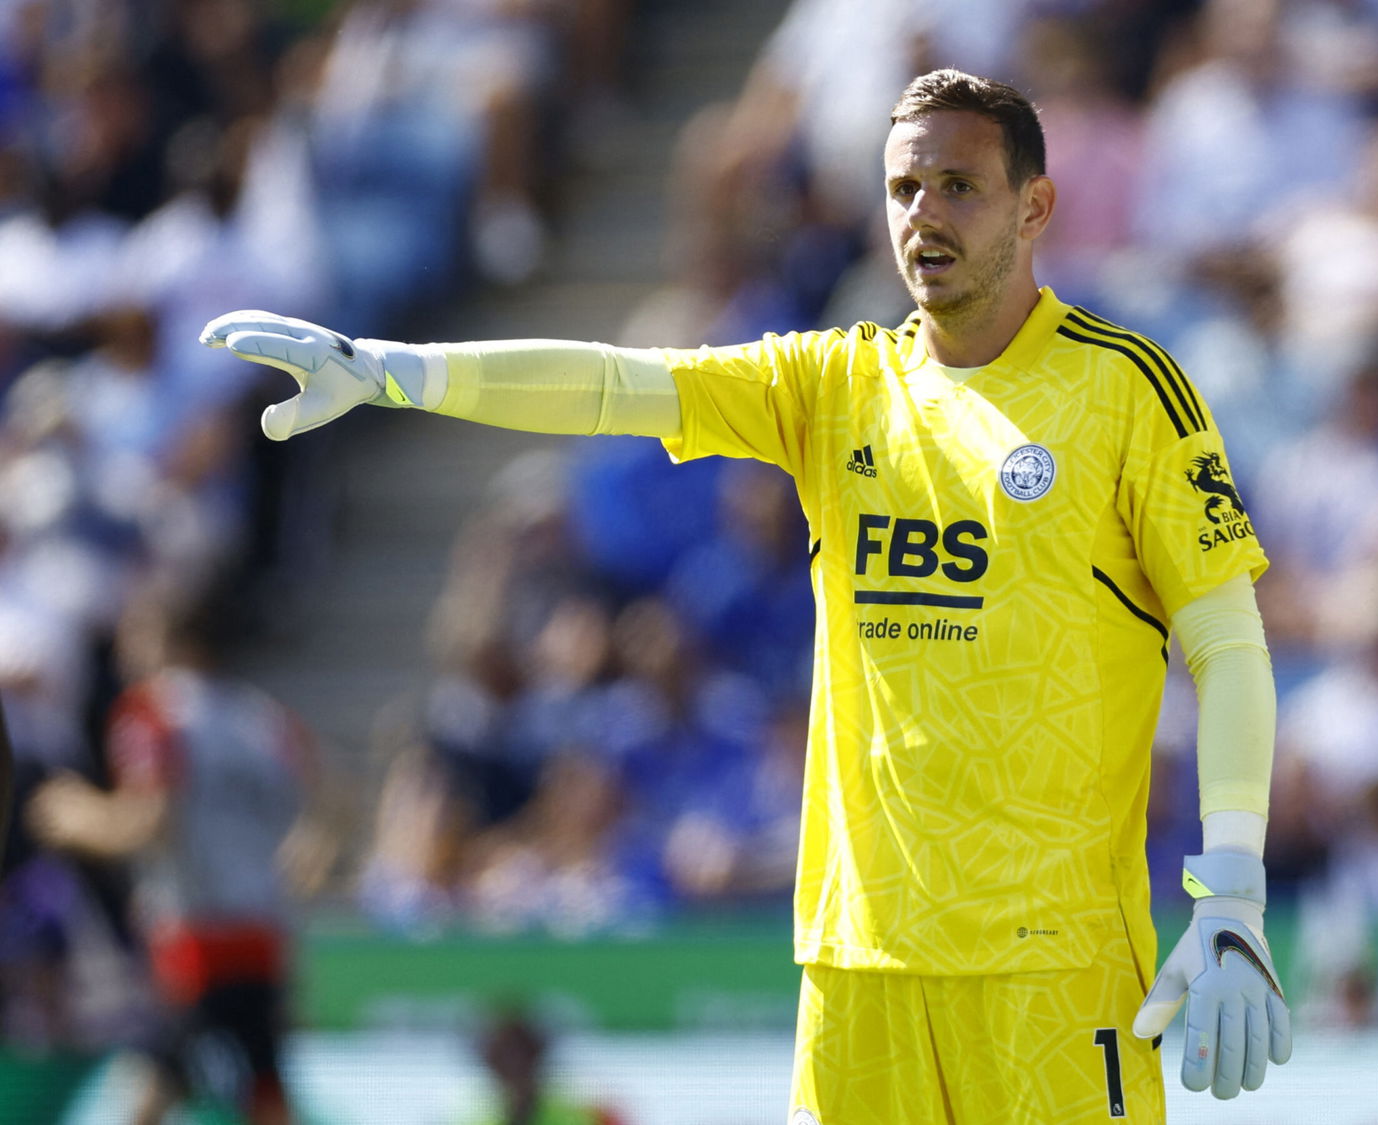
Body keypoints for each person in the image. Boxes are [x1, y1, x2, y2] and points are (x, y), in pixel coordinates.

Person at [201, 69, 1291, 1122]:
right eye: (905, 187)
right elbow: (614, 388)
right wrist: (396, 369)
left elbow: (1228, 641)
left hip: (1053, 970)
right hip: (857, 962)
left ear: (1034, 204)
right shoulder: (836, 384)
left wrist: (1231, 889)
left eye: (960, 184)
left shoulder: (1125, 388)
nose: (925, 214)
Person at [26, 582, 323, 1125]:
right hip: (262, 927)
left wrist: (73, 816)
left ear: (171, 639)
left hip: (196, 934)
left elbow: (149, 820)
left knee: (154, 1079)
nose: (126, 649)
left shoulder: (155, 711)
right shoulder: (265, 718)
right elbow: (324, 816)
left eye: (137, 633)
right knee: (261, 1080)